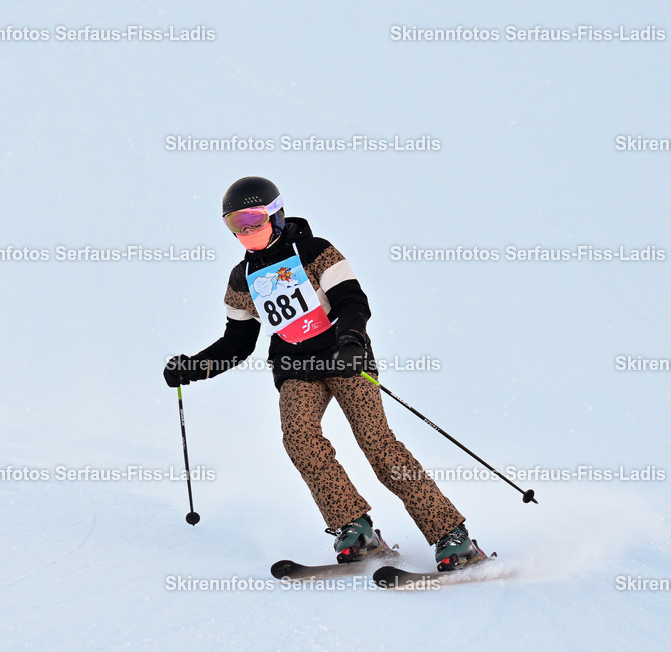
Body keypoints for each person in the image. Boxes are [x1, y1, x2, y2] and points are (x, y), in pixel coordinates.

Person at [163, 176, 481, 569]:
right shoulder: (240, 279)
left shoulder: (316, 252)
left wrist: (350, 340)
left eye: (253, 219)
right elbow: (237, 342)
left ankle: (451, 534)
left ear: (276, 215)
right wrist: (192, 367)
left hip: (343, 358)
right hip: (296, 368)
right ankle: (354, 527)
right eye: (235, 224)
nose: (246, 231)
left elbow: (352, 301)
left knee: (377, 444)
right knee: (299, 438)